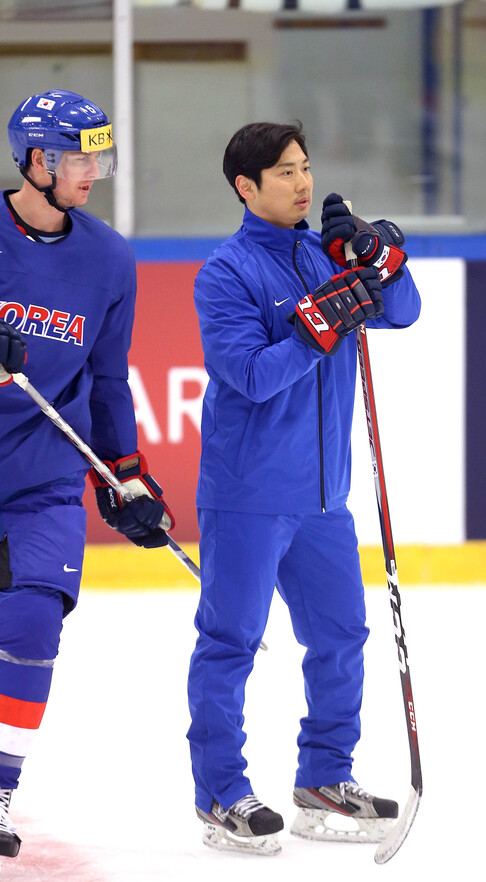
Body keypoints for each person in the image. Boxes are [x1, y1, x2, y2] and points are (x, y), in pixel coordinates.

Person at [187, 120, 421, 856]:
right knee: (231, 643)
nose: (303, 182)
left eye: (306, 166)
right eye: (285, 172)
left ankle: (324, 778)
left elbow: (404, 313)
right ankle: (221, 794)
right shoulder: (225, 274)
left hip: (324, 497)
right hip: (248, 493)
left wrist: (382, 264)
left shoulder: (328, 257)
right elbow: (250, 375)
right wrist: (318, 328)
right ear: (246, 188)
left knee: (340, 636)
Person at [0, 90, 174, 861]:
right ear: (37, 162)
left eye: (99, 154)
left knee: (34, 625)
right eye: (79, 156)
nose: (93, 171)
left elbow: (108, 379)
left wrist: (125, 475)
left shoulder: (108, 256)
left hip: (40, 479)